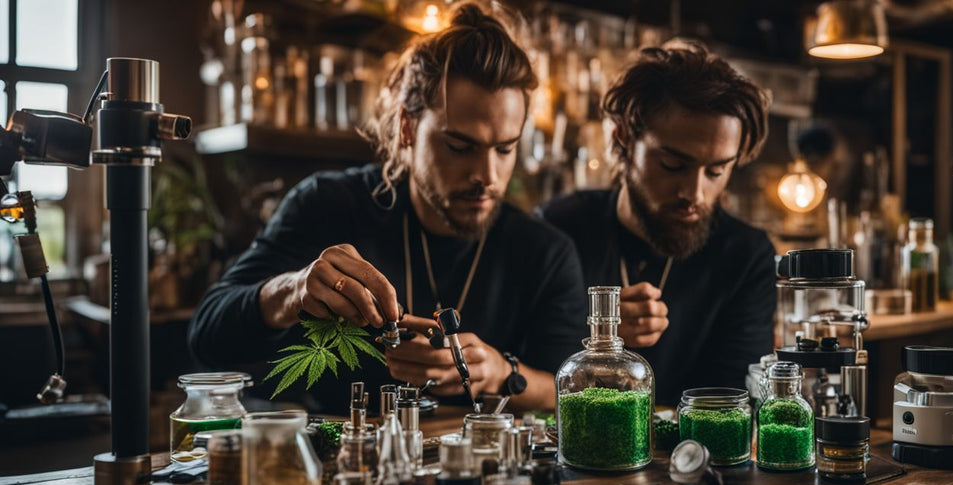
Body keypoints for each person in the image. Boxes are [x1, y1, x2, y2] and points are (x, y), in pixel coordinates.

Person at [188, 3, 587, 413]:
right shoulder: (329, 204)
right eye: (459, 146)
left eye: (505, 148)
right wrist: (290, 291)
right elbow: (206, 338)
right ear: (407, 128)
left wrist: (500, 373)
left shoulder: (544, 252)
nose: (487, 174)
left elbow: (572, 390)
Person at [542, 44, 776, 405]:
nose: (694, 193)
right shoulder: (557, 231)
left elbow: (733, 402)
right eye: (672, 164)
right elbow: (524, 374)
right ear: (624, 138)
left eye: (716, 170)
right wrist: (600, 340)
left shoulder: (746, 255)